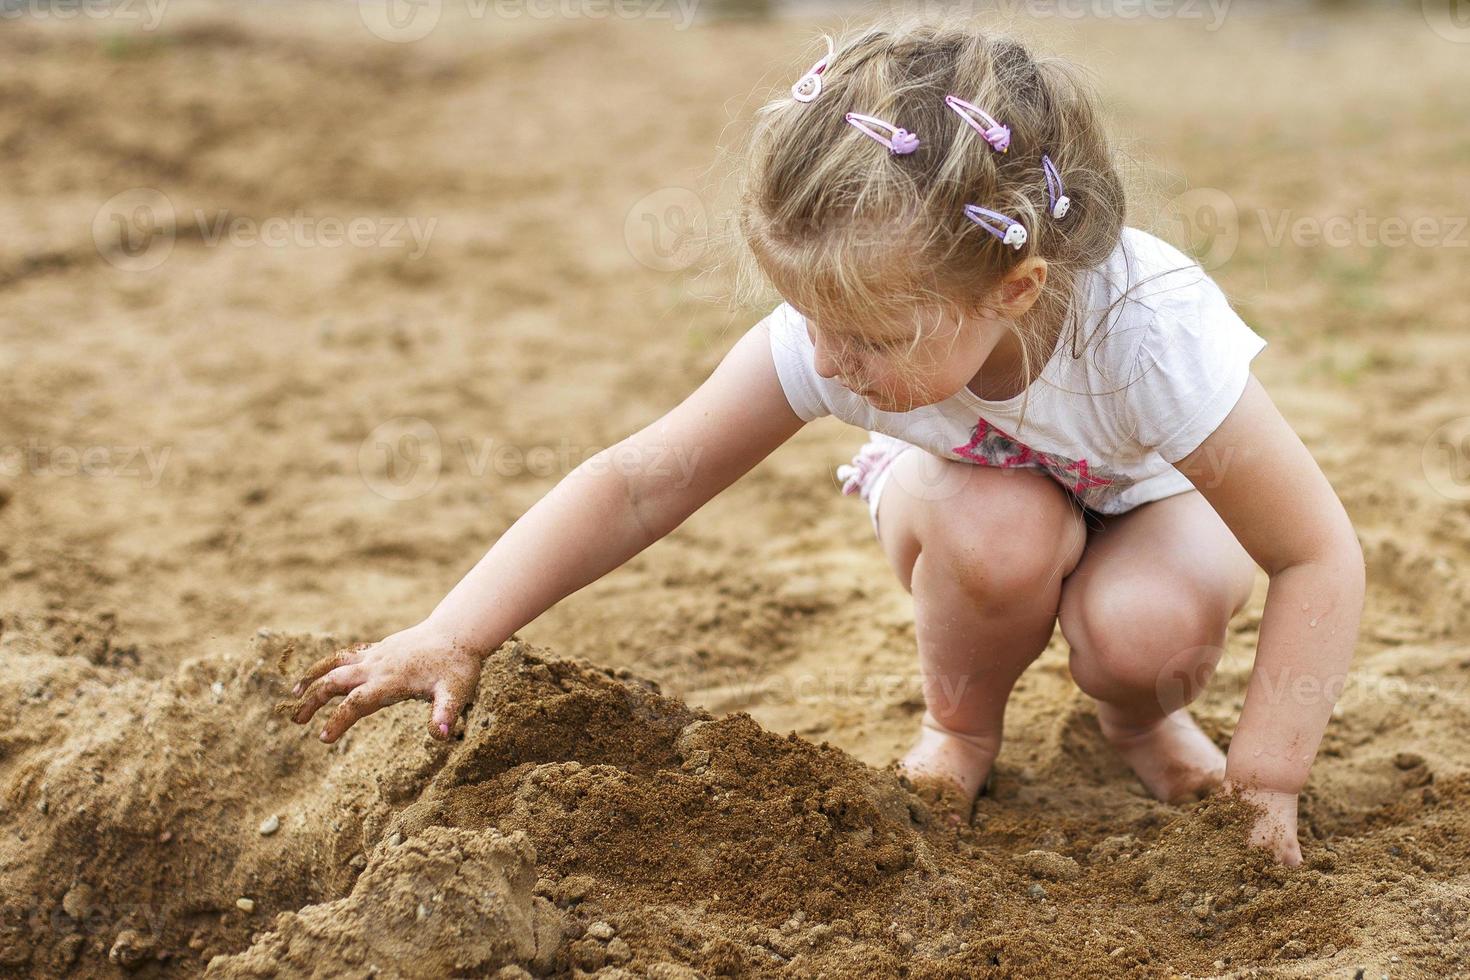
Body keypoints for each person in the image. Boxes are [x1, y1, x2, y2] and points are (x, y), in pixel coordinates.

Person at [288, 20, 1365, 866]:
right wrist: (456, 628)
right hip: (972, 497)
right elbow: (637, 483)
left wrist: (1269, 779)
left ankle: (1139, 721)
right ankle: (963, 728)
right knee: (995, 534)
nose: (832, 359)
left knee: (1137, 631)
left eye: (871, 337)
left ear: (1016, 287)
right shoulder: (841, 331)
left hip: (1151, 496)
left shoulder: (1148, 335)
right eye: (811, 320)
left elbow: (1317, 553)